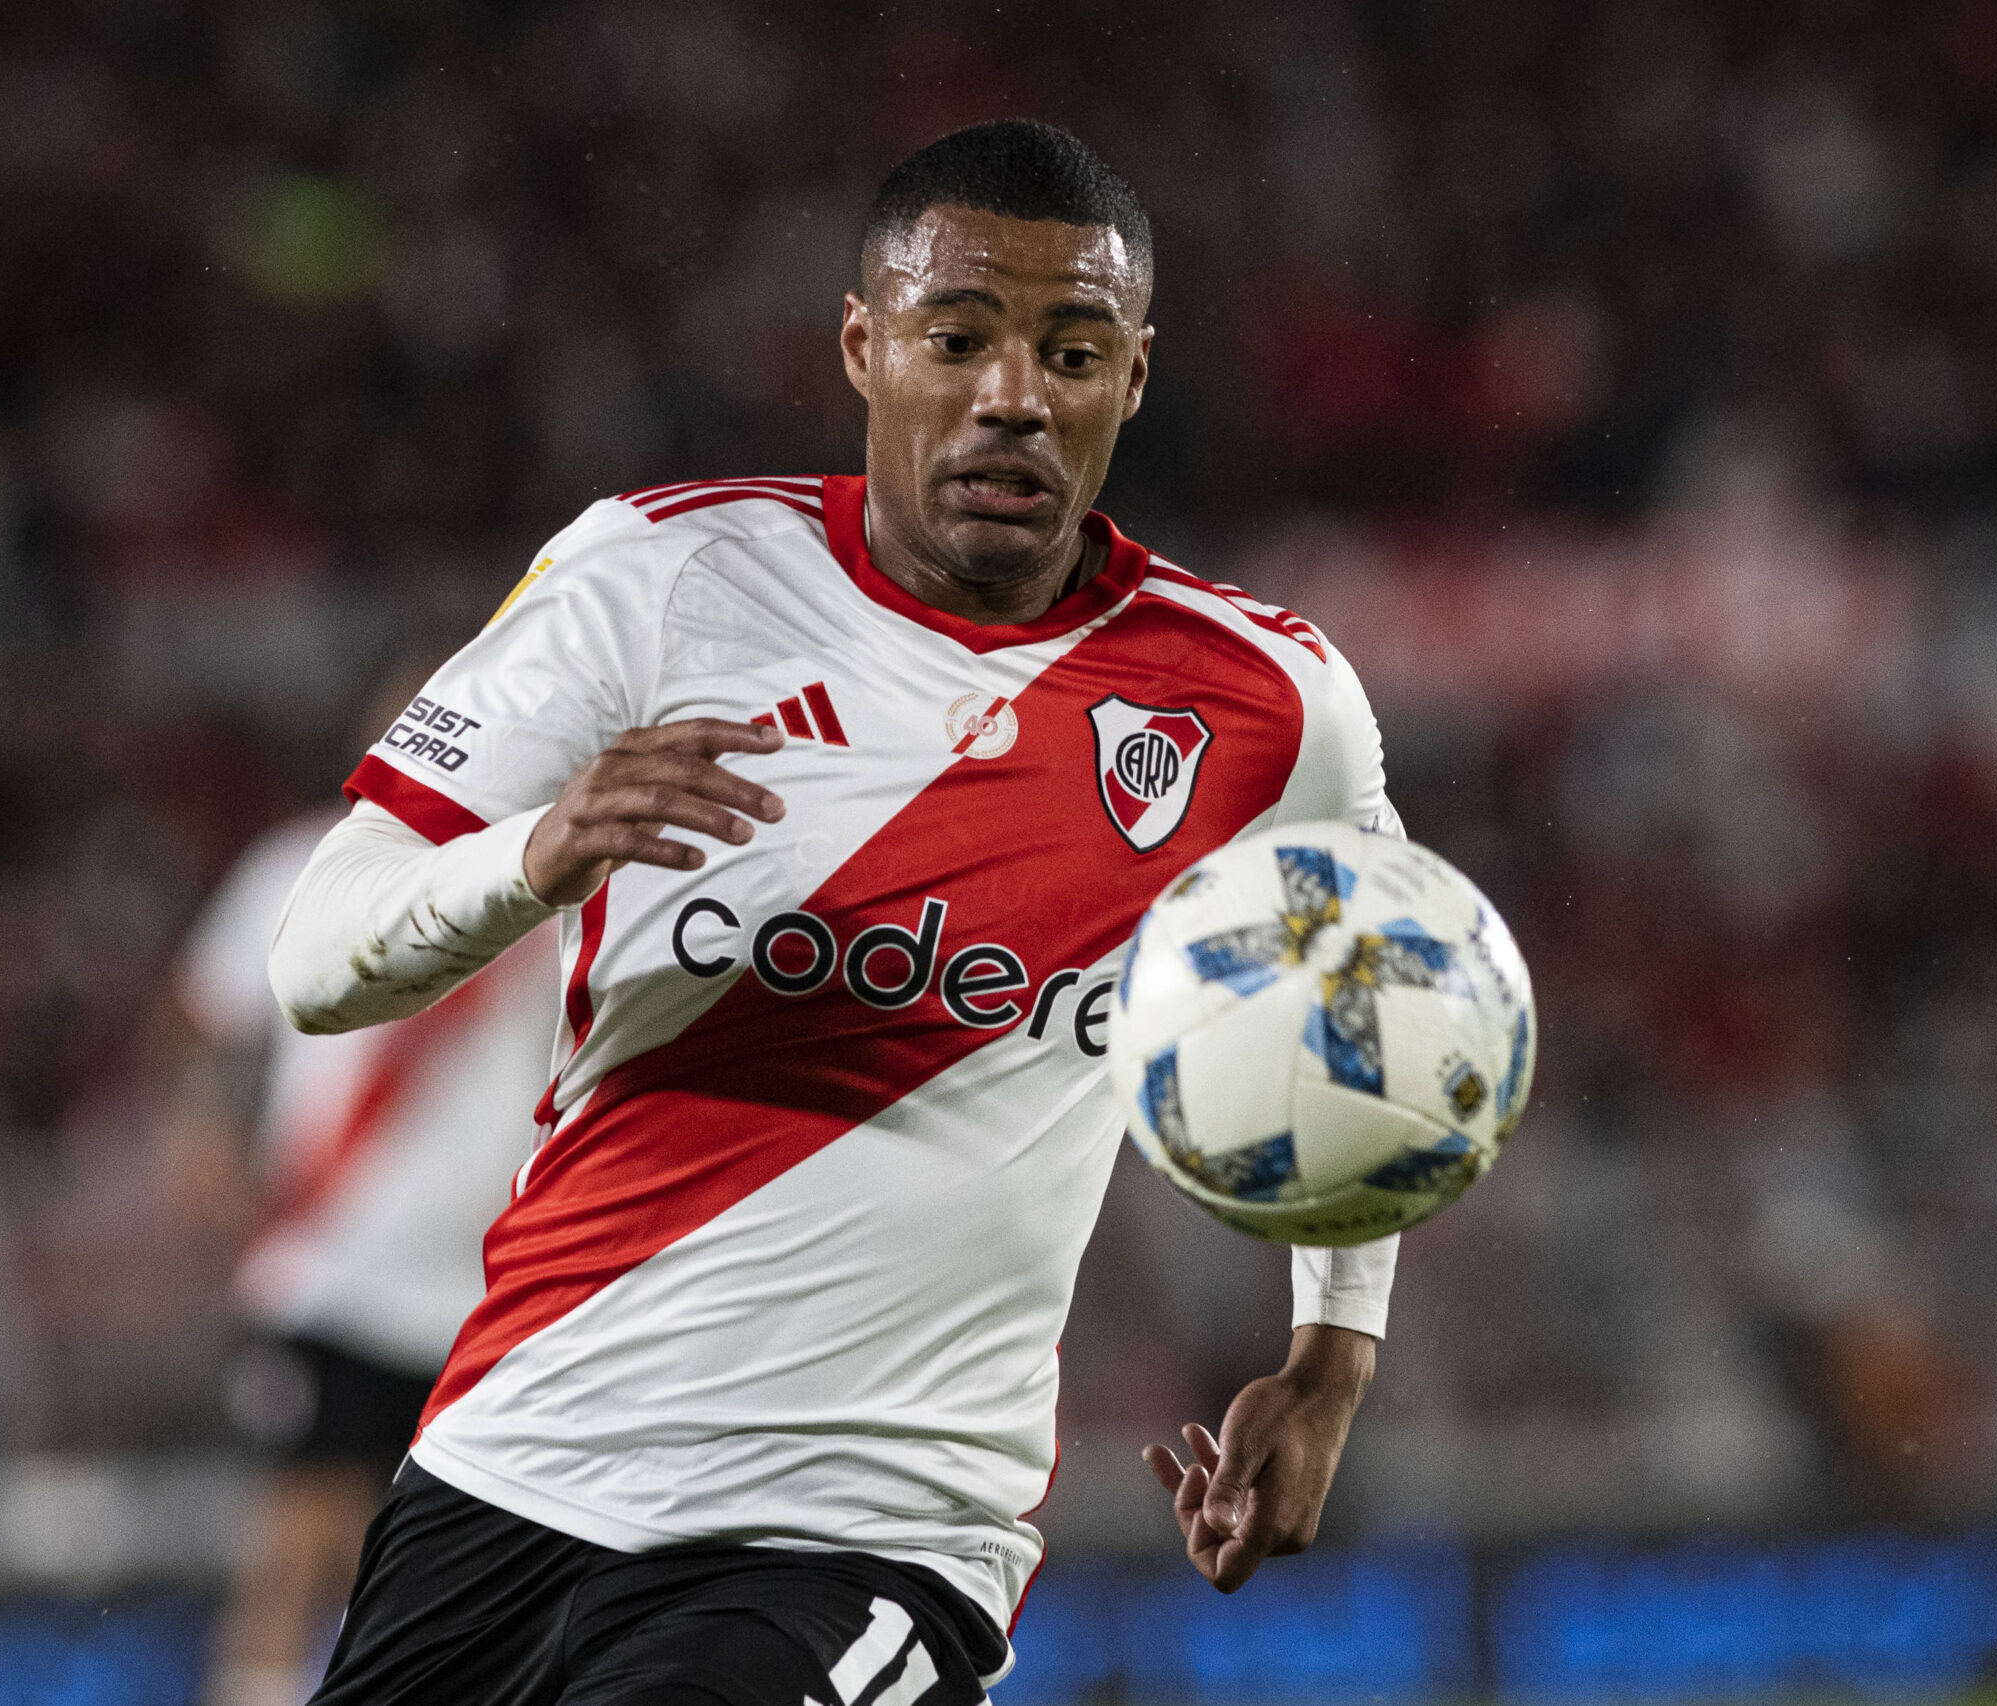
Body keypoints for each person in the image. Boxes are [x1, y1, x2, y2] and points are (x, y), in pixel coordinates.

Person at [270, 120, 1402, 1705]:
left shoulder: (1270, 707)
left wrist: (1332, 1354)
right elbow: (318, 957)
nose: (1015, 393)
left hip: (871, 1526)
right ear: (865, 347)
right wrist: (536, 853)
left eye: (1072, 351)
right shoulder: (657, 577)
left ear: (1132, 380)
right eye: (960, 340)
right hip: (513, 1461)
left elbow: (1373, 1020)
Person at [176, 734, 559, 1706]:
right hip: (336, 1263)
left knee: (443, 1558)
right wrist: (207, 1140)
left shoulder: (559, 887)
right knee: (301, 1533)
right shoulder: (300, 864)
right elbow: (211, 1024)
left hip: (489, 1284)